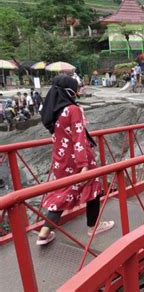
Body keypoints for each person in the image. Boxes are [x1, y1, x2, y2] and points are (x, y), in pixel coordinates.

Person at [36, 75, 114, 246]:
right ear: (70, 91)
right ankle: (93, 226)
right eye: (76, 89)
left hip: (60, 160)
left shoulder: (54, 111)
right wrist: (83, 164)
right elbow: (79, 138)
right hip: (77, 159)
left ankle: (44, 231)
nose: (77, 92)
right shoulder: (73, 110)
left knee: (64, 192)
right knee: (93, 188)